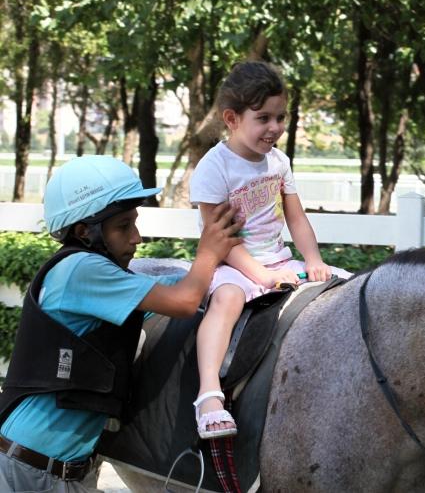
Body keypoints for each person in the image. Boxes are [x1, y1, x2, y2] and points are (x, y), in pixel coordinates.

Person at [0, 155, 243, 492]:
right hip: (32, 470)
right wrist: (208, 252)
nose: (137, 238)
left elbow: (177, 285)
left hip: (61, 469)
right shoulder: (82, 270)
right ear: (85, 231)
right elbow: (185, 301)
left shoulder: (102, 278)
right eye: (123, 226)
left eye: (135, 222)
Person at [189, 61, 351, 439]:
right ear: (231, 118)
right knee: (226, 300)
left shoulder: (279, 161)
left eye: (281, 117)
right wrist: (260, 276)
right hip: (231, 263)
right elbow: (221, 239)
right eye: (263, 118)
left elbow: (296, 218)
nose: (275, 128)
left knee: (343, 288)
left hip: (277, 260)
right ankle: (209, 393)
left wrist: (313, 260)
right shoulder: (215, 167)